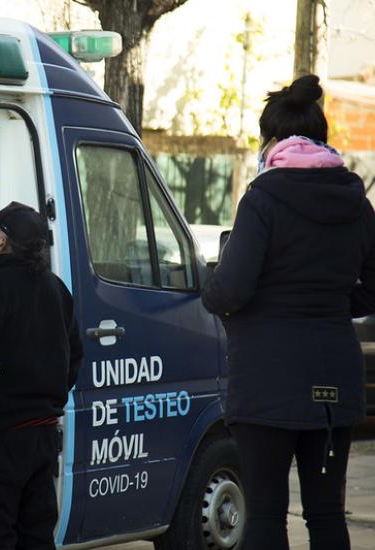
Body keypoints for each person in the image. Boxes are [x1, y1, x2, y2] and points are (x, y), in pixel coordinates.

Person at [202, 75, 375, 550]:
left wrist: (208, 287)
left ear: (272, 141)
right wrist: (339, 302)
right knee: (325, 514)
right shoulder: (355, 203)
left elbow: (231, 290)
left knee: (266, 515)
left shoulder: (263, 200)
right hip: (335, 381)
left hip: (267, 381)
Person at [0, 202, 83, 550]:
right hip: (44, 437)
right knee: (37, 535)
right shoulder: (57, 289)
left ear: (2, 241)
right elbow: (75, 357)